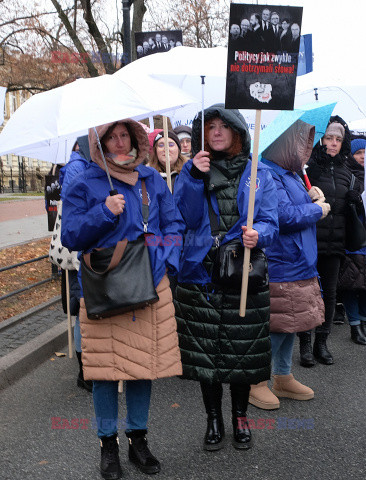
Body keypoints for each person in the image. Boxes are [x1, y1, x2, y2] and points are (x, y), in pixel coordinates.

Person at [61, 119, 184, 479]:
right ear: (98, 143)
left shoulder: (151, 180)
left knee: (142, 367)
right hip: (106, 288)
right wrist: (104, 212)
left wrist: (161, 261)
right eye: (110, 137)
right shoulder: (84, 182)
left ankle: (138, 441)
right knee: (103, 372)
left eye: (124, 135)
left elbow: (174, 227)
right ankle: (108, 446)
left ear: (135, 138)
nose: (119, 142)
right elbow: (70, 235)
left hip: (150, 284)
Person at [173, 104, 278, 451]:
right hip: (201, 276)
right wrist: (192, 176)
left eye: (223, 126)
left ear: (236, 132)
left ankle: (240, 418)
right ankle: (213, 419)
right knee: (207, 357)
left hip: (243, 275)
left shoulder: (257, 171)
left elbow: (271, 221)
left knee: (242, 355)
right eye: (210, 126)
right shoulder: (191, 172)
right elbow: (183, 218)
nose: (216, 131)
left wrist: (258, 234)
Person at [249, 120, 329, 410]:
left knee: (290, 323)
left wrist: (310, 195)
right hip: (281, 261)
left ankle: (282, 376)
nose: (305, 149)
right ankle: (257, 382)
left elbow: (293, 206)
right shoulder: (266, 172)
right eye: (300, 142)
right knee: (274, 324)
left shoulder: (291, 173)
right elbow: (283, 216)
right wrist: (316, 209)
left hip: (299, 261)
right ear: (284, 143)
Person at [298, 116, 357, 366]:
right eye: (329, 138)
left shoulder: (347, 171)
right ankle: (305, 345)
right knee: (307, 294)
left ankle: (322, 342)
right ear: (322, 138)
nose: (333, 143)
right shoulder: (308, 168)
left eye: (338, 139)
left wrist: (355, 201)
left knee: (330, 295)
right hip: (310, 241)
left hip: (335, 243)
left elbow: (347, 210)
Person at [59, 136, 92, 392]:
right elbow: (75, 213)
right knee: (83, 309)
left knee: (84, 309)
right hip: (81, 252)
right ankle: (85, 371)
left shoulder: (82, 164)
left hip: (85, 251)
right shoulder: (78, 168)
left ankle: (88, 369)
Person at [338, 138, 366, 344]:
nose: (363, 156)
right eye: (359, 153)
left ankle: (363, 322)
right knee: (352, 284)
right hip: (353, 239)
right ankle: (355, 325)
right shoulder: (347, 175)